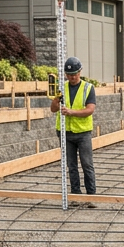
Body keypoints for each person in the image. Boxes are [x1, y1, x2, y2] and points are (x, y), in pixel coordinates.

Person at [50, 56, 97, 200]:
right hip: (65, 132)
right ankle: (76, 194)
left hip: (83, 133)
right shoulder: (62, 88)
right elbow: (53, 109)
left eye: (75, 74)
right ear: (65, 74)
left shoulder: (88, 88)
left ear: (80, 72)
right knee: (71, 165)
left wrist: (71, 112)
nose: (72, 77)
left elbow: (90, 109)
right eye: (69, 74)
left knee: (87, 164)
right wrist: (56, 100)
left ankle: (91, 196)